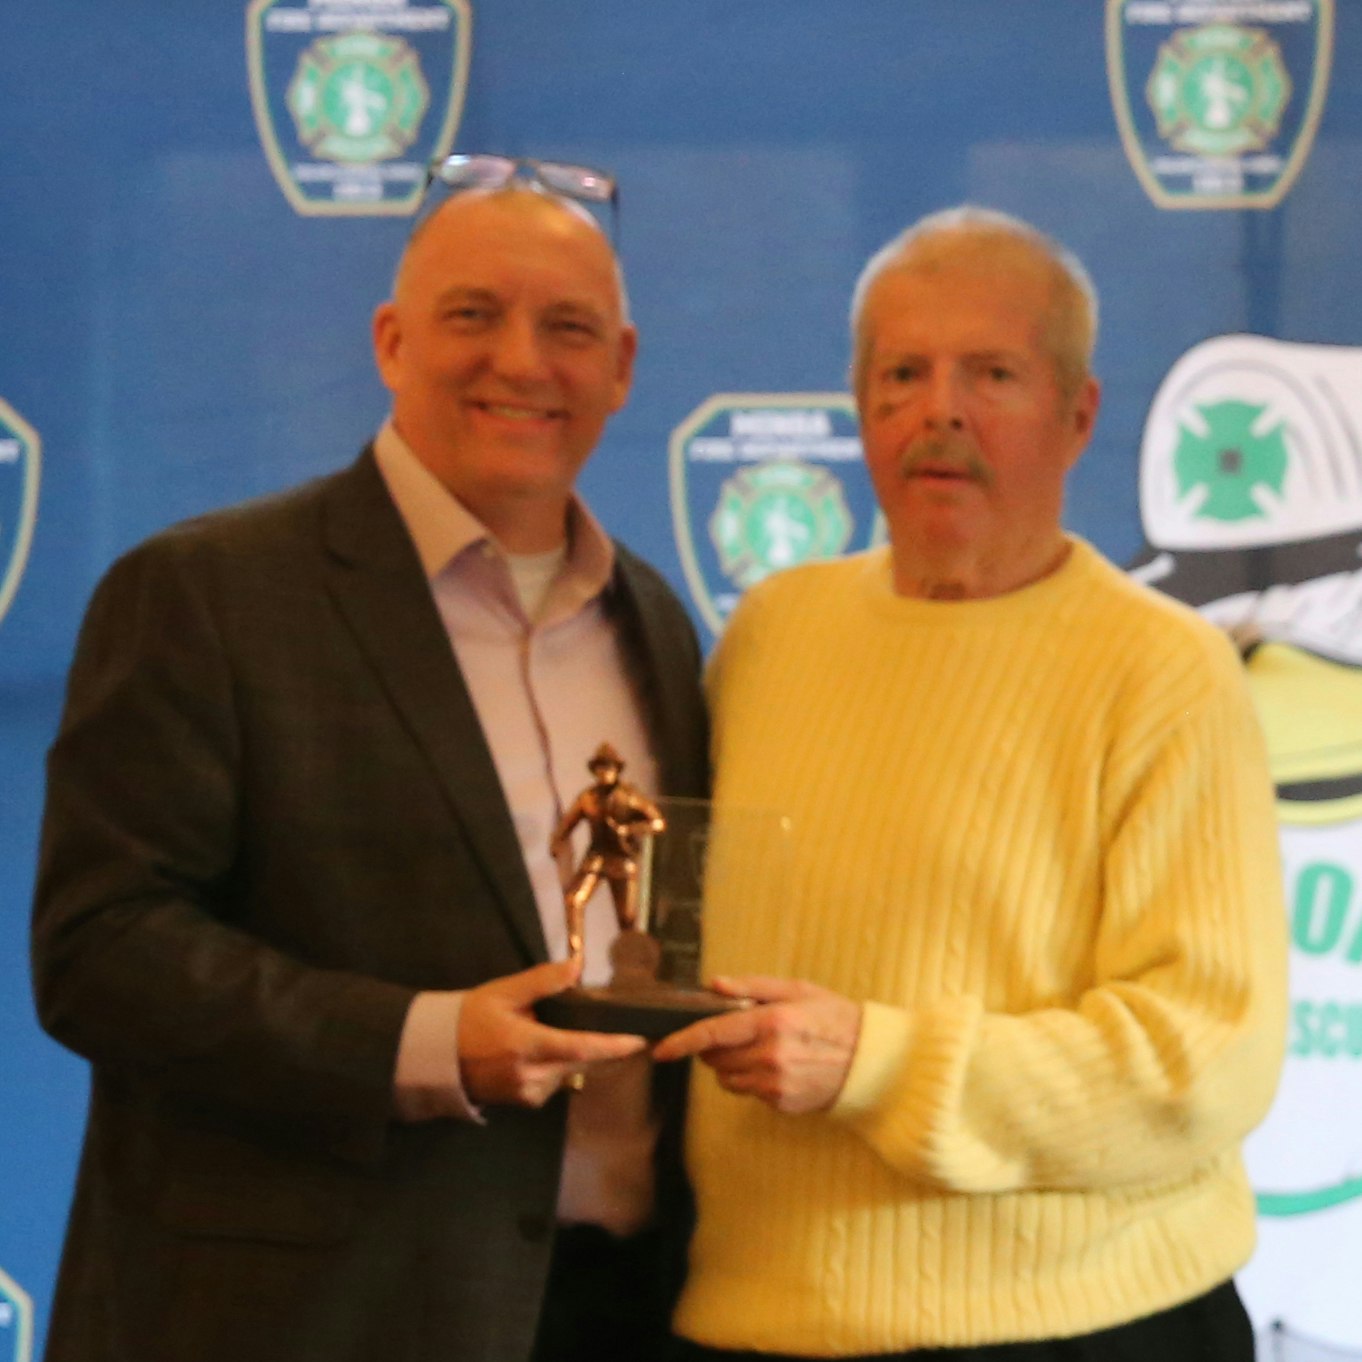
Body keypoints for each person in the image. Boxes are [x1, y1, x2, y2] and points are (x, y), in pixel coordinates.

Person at [31, 165, 708, 1362]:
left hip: (616, 1310)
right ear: (392, 342)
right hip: (310, 1320)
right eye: (472, 314)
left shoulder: (652, 619)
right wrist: (429, 1042)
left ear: (623, 367)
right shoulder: (205, 592)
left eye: (569, 328)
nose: (522, 359)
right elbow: (102, 951)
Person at [655, 207, 1287, 1361]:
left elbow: (1205, 1057)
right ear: (862, 413)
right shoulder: (771, 633)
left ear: (1077, 415)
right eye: (903, 373)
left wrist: (879, 1063)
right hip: (749, 1319)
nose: (938, 409)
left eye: (990, 372)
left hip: (1077, 1326)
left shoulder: (1162, 672)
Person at [553, 741, 667, 961]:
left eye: (609, 767)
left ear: (617, 769)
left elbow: (658, 823)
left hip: (622, 861)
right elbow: (566, 824)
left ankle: (631, 968)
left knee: (627, 920)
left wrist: (629, 830)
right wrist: (558, 841)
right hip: (596, 858)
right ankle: (574, 963)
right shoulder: (587, 798)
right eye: (600, 767)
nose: (604, 772)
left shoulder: (631, 796)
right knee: (574, 900)